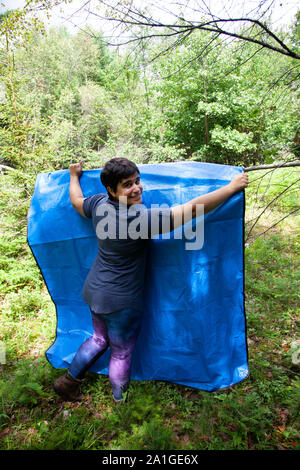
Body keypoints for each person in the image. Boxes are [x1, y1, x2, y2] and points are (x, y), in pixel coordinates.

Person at [52, 158, 248, 402]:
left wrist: (73, 177)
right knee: (121, 353)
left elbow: (77, 202)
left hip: (94, 291)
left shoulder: (100, 204)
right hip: (121, 301)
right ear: (111, 190)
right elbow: (191, 209)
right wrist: (231, 187)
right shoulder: (139, 220)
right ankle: (119, 401)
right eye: (127, 185)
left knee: (99, 339)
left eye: (137, 180)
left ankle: (69, 381)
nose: (137, 188)